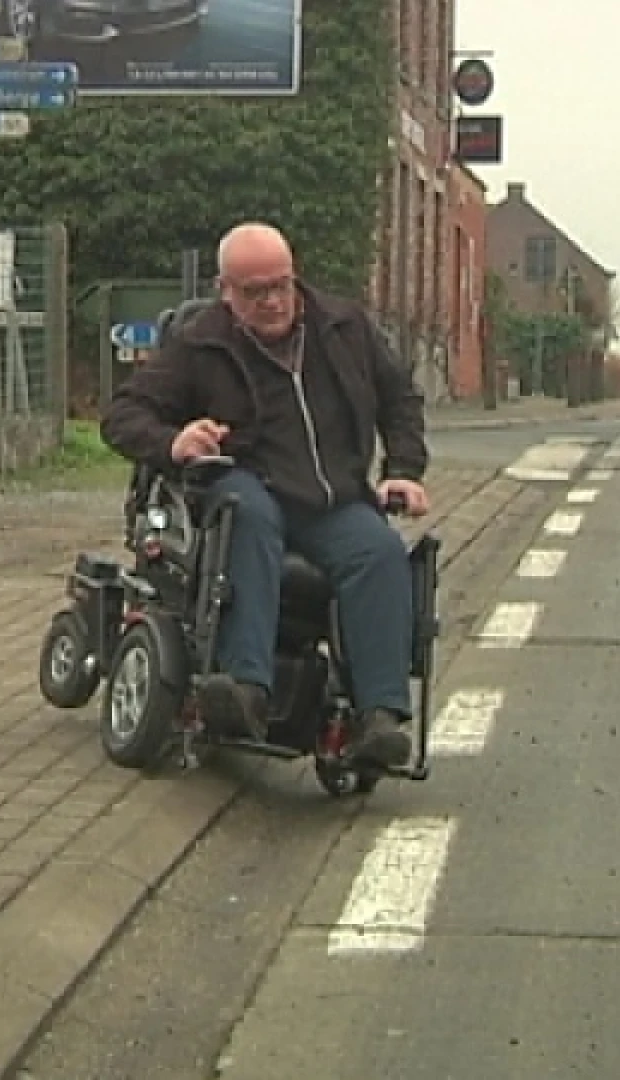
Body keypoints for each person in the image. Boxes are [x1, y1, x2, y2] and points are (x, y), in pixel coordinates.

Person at [99, 222, 430, 770]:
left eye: (282, 284)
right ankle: (244, 686)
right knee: (245, 516)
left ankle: (380, 716)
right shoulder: (200, 343)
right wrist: (175, 440)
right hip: (251, 483)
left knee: (380, 551)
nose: (274, 300)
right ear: (226, 290)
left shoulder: (345, 328)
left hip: (332, 497)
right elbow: (123, 415)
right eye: (256, 291)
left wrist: (404, 470)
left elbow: (400, 398)